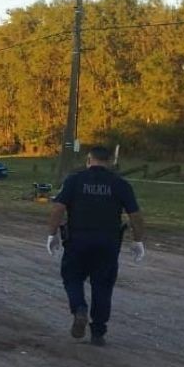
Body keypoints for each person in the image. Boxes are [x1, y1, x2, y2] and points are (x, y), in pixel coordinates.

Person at [47, 145, 146, 347]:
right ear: (109, 162)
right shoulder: (120, 184)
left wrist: (52, 234)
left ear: (89, 160)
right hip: (108, 243)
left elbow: (58, 208)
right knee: (103, 286)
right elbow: (135, 215)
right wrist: (138, 240)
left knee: (72, 277)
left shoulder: (74, 180)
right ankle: (98, 332)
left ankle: (79, 308)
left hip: (78, 240)